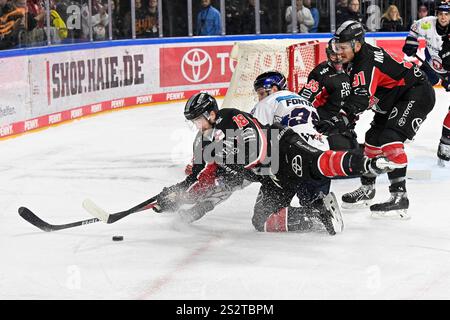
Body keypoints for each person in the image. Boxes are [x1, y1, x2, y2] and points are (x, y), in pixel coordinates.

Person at [154, 92, 404, 234]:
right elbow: (199, 181)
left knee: (317, 163)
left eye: (197, 120)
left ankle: (369, 164)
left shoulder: (232, 118)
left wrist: (224, 160)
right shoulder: (202, 144)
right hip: (272, 177)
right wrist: (174, 197)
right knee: (260, 222)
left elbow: (257, 150)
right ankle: (318, 214)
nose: (196, 126)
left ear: (210, 113)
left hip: (282, 148)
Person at [330, 20, 435, 219]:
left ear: (357, 45)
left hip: (416, 92)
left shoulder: (365, 62)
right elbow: (364, 97)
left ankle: (399, 197)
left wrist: (342, 118)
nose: (339, 52)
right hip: (394, 97)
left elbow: (360, 98)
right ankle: (367, 190)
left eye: (342, 47)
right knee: (372, 139)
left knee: (390, 138)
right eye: (337, 47)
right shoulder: (356, 59)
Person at [402, 0, 450, 164]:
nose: (443, 17)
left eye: (447, 14)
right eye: (441, 14)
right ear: (437, 14)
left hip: (448, 69)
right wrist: (411, 42)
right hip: (430, 67)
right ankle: (406, 127)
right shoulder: (428, 23)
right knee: (416, 95)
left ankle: (446, 142)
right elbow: (415, 29)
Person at [299, 39, 358, 152]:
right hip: (327, 125)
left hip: (345, 123)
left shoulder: (353, 68)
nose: (338, 59)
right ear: (328, 55)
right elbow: (304, 98)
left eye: (341, 55)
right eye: (334, 55)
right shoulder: (320, 73)